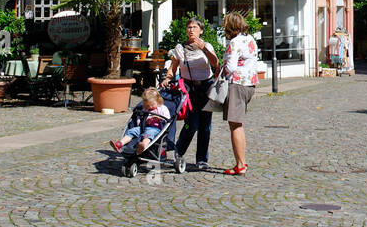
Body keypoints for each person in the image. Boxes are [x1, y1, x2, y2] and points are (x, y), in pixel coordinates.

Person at [166, 17, 219, 171]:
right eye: (189, 27)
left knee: (205, 125)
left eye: (195, 27)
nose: (191, 30)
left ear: (201, 31)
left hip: (206, 86)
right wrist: (167, 79)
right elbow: (173, 67)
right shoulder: (180, 48)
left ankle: (202, 159)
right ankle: (179, 152)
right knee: (191, 123)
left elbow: (215, 63)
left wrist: (204, 49)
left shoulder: (207, 45)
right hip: (188, 88)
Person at [219, 10, 261, 176]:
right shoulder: (250, 39)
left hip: (237, 84)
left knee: (235, 124)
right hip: (250, 83)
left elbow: (230, 66)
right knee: (237, 124)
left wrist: (222, 69)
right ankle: (241, 162)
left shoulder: (235, 42)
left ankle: (240, 164)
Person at [109, 88, 170, 155]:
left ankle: (143, 145)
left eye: (152, 104)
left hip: (155, 128)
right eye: (147, 105)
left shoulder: (162, 108)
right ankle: (120, 143)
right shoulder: (144, 109)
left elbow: (167, 118)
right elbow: (139, 119)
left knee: (149, 134)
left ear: (158, 101)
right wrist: (143, 121)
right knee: (132, 131)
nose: (149, 107)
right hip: (142, 127)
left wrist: (159, 118)